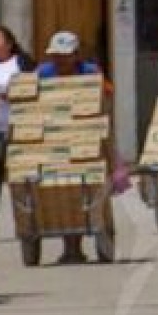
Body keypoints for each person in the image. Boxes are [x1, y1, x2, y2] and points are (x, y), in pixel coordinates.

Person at [36, 31, 103, 263]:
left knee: (81, 189)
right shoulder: (43, 74)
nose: (59, 61)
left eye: (64, 56)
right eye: (55, 56)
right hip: (52, 142)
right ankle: (69, 245)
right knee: (59, 189)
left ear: (76, 55)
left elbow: (105, 99)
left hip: (84, 139)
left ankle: (75, 245)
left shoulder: (90, 73)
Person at [0, 26, 33, 227]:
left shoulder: (22, 64)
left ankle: (26, 226)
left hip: (17, 132)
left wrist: (15, 94)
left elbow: (34, 89)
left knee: (20, 183)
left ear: (9, 44)